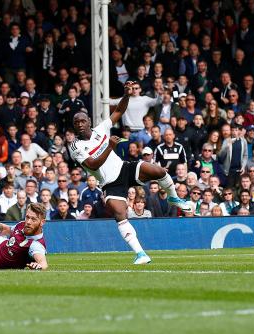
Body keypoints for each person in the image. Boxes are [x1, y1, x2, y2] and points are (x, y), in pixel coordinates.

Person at [69, 81, 190, 265]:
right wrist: (110, 146)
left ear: (89, 122)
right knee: (120, 213)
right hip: (110, 183)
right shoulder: (75, 146)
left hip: (124, 168)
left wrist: (126, 95)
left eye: (82, 121)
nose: (79, 124)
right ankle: (141, 254)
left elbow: (118, 112)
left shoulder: (100, 129)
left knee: (158, 170)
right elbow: (92, 165)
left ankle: (174, 197)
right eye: (76, 122)